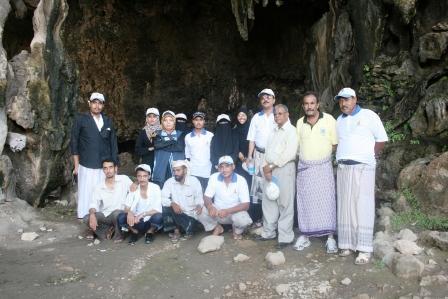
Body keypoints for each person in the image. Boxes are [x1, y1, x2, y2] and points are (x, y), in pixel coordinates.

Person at [334, 87, 388, 264]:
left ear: (355, 99)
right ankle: (347, 244)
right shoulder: (339, 120)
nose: (343, 103)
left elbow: (381, 139)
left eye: (347, 99)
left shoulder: (368, 115)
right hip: (343, 167)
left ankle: (364, 249)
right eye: (341, 100)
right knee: (345, 205)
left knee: (362, 205)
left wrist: (369, 156)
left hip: (364, 166)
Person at [294, 92, 338, 253]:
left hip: (323, 167)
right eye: (306, 104)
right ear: (303, 106)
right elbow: (297, 146)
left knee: (327, 201)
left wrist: (322, 157)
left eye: (312, 103)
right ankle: (305, 235)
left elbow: (334, 144)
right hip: (305, 169)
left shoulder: (329, 120)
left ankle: (330, 238)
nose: (309, 106)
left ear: (317, 104)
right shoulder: (300, 123)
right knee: (305, 201)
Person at [71, 92, 119, 219]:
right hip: (86, 164)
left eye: (100, 103)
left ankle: (104, 218)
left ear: (103, 105)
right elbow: (74, 142)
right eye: (94, 102)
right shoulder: (81, 119)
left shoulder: (108, 121)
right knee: (87, 192)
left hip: (105, 165)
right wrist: (76, 166)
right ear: (89, 103)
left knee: (105, 191)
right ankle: (86, 217)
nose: (97, 106)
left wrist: (115, 164)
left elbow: (113, 143)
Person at [258, 104, 298, 249]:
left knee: (285, 203)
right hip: (269, 169)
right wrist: (265, 167)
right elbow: (267, 151)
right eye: (275, 114)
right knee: (268, 201)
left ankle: (286, 237)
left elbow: (290, 153)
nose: (277, 116)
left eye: (280, 114)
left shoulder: (292, 131)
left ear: (287, 115)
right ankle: (268, 232)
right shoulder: (273, 131)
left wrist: (271, 167)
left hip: (284, 169)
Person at [200, 156, 253, 240]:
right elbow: (207, 197)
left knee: (244, 220)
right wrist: (210, 207)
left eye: (227, 166)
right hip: (218, 212)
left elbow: (246, 205)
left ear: (233, 166)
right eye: (221, 167)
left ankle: (236, 230)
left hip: (234, 213)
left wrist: (227, 211)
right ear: (218, 168)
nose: (224, 169)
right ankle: (217, 227)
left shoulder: (241, 180)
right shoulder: (214, 177)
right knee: (200, 210)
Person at [83, 159, 132, 241]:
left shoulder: (124, 179)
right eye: (105, 168)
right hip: (105, 216)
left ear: (115, 168)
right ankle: (107, 232)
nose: (108, 170)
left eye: (110, 167)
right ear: (103, 170)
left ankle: (117, 234)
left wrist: (130, 210)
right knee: (86, 218)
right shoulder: (99, 186)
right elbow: (93, 204)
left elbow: (135, 190)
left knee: (117, 214)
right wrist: (92, 215)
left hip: (119, 214)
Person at [246, 88, 277, 215]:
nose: (265, 99)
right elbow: (252, 139)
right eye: (263, 97)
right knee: (259, 187)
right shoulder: (256, 117)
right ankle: (261, 218)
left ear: (274, 100)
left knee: (274, 185)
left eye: (268, 97)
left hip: (274, 156)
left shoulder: (279, 115)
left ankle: (274, 218)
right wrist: (249, 157)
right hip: (258, 155)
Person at [117, 164, 163, 245]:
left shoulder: (155, 188)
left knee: (159, 217)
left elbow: (157, 209)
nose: (142, 179)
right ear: (137, 177)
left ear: (149, 176)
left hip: (149, 220)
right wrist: (130, 213)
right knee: (121, 217)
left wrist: (142, 214)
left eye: (145, 176)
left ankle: (150, 232)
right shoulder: (134, 188)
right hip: (136, 221)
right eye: (139, 176)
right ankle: (134, 232)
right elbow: (126, 206)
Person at [161, 160, 204, 242]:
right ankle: (177, 232)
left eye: (178, 170)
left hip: (191, 215)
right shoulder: (169, 182)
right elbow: (163, 198)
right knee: (166, 207)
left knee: (201, 214)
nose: (175, 173)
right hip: (177, 212)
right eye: (174, 171)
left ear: (185, 170)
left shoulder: (194, 181)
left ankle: (189, 229)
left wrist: (199, 205)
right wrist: (172, 203)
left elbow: (199, 197)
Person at [233, 107, 261, 223]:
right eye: (239, 115)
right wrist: (240, 156)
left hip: (252, 162)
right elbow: (233, 145)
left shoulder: (252, 128)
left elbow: (255, 142)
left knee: (253, 188)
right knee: (242, 188)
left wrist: (249, 158)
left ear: (247, 116)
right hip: (240, 163)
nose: (241, 117)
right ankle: (241, 217)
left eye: (243, 115)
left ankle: (255, 216)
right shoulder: (233, 130)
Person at [153, 110, 186, 188]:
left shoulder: (180, 134)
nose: (168, 122)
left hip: (176, 167)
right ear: (162, 122)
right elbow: (157, 145)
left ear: (174, 122)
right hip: (161, 167)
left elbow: (180, 147)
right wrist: (172, 141)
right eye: (165, 120)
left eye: (171, 120)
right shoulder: (157, 133)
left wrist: (163, 144)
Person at [184, 112, 214, 190]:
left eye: (201, 120)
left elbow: (213, 152)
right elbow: (187, 155)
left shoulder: (210, 135)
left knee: (206, 193)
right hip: (193, 171)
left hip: (207, 170)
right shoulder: (188, 137)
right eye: (196, 120)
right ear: (193, 121)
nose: (198, 122)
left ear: (204, 121)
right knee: (194, 193)